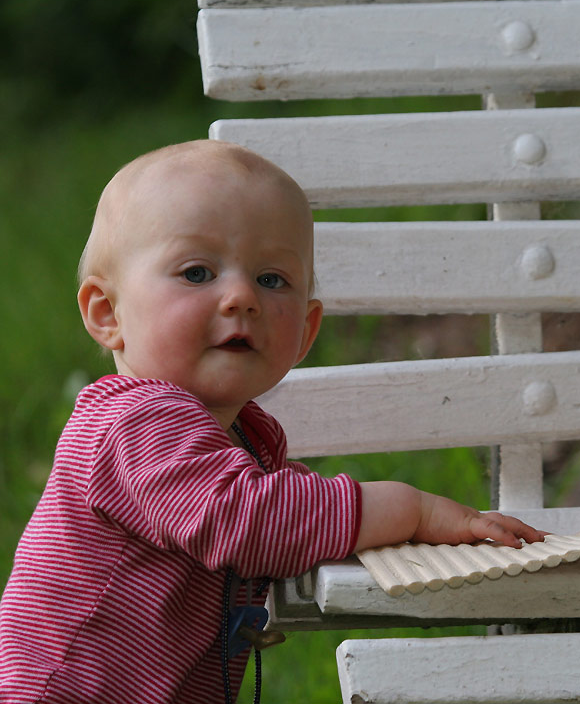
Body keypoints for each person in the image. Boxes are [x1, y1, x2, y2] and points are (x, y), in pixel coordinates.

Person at [0, 140, 545, 703]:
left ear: (306, 332)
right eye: (196, 272)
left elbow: (281, 508)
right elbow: (249, 520)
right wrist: (410, 510)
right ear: (107, 313)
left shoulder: (238, 433)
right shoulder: (137, 423)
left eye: (271, 280)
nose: (241, 297)